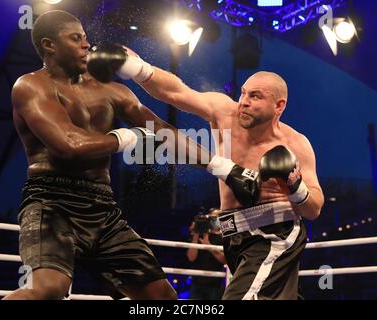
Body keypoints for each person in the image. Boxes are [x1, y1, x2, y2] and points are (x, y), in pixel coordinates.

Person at [4, 10, 258, 300]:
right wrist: (123, 138)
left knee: (162, 297)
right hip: (51, 203)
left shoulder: (113, 91)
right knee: (48, 290)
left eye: (86, 38)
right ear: (50, 45)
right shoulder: (31, 86)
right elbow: (67, 144)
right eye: (76, 39)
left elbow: (162, 131)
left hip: (102, 206)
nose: (86, 45)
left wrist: (224, 167)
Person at [88, 46, 325, 299]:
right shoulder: (226, 113)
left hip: (275, 232)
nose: (244, 101)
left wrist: (295, 185)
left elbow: (314, 209)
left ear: (279, 105)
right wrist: (136, 67)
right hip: (234, 235)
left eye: (255, 96)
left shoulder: (296, 144)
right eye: (244, 93)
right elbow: (176, 91)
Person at [186, 208, 226, 300]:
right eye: (213, 217)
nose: (216, 219)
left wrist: (208, 246)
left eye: (218, 217)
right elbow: (191, 258)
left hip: (215, 284)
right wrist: (196, 233)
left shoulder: (223, 238)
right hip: (197, 282)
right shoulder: (197, 236)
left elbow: (225, 260)